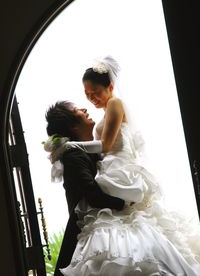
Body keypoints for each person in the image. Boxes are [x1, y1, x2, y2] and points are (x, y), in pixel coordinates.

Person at [44, 57, 200, 275]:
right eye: (87, 95)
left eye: (95, 92)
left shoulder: (115, 104)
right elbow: (92, 189)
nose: (90, 101)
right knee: (127, 229)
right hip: (111, 171)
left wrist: (69, 146)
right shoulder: (81, 150)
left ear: (110, 86)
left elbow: (106, 145)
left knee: (134, 227)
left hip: (121, 168)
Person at [44, 101, 125, 276]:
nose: (84, 109)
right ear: (73, 126)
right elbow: (93, 195)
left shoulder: (92, 150)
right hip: (90, 238)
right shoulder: (73, 155)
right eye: (77, 110)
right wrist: (125, 204)